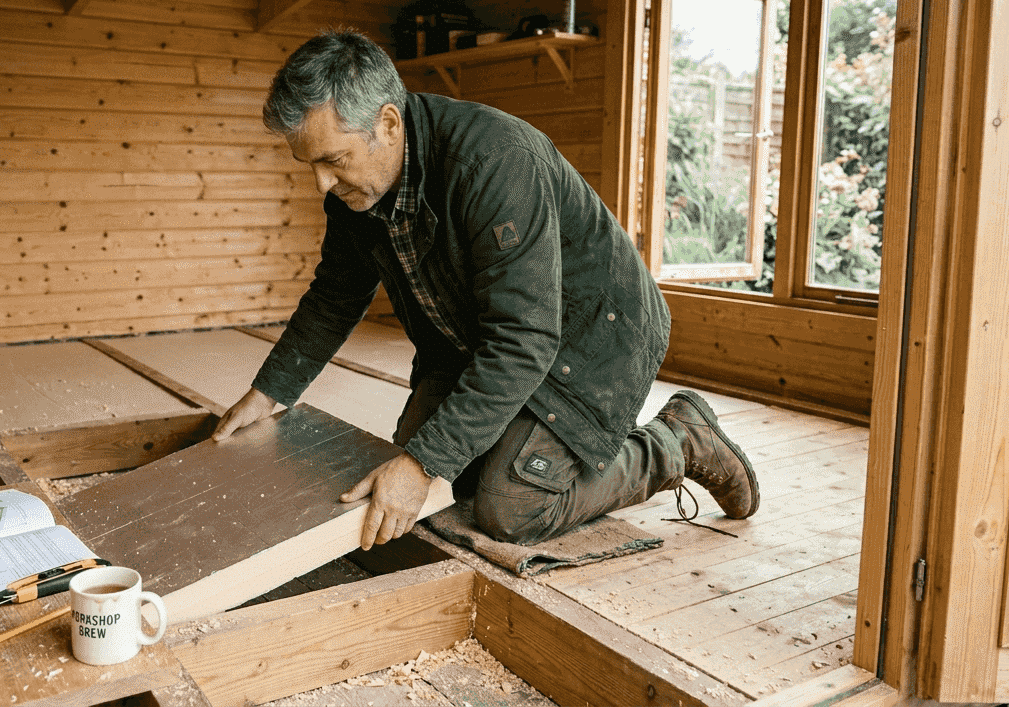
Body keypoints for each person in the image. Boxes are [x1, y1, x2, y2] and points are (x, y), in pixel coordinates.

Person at [211, 29, 759, 551]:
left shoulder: (495, 162)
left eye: (333, 161)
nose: (322, 184)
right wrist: (268, 394)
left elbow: (525, 339)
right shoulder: (356, 191)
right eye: (310, 165)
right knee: (432, 475)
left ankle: (676, 441)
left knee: (508, 506)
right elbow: (335, 297)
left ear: (388, 123)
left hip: (591, 338)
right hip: (480, 336)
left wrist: (424, 464)